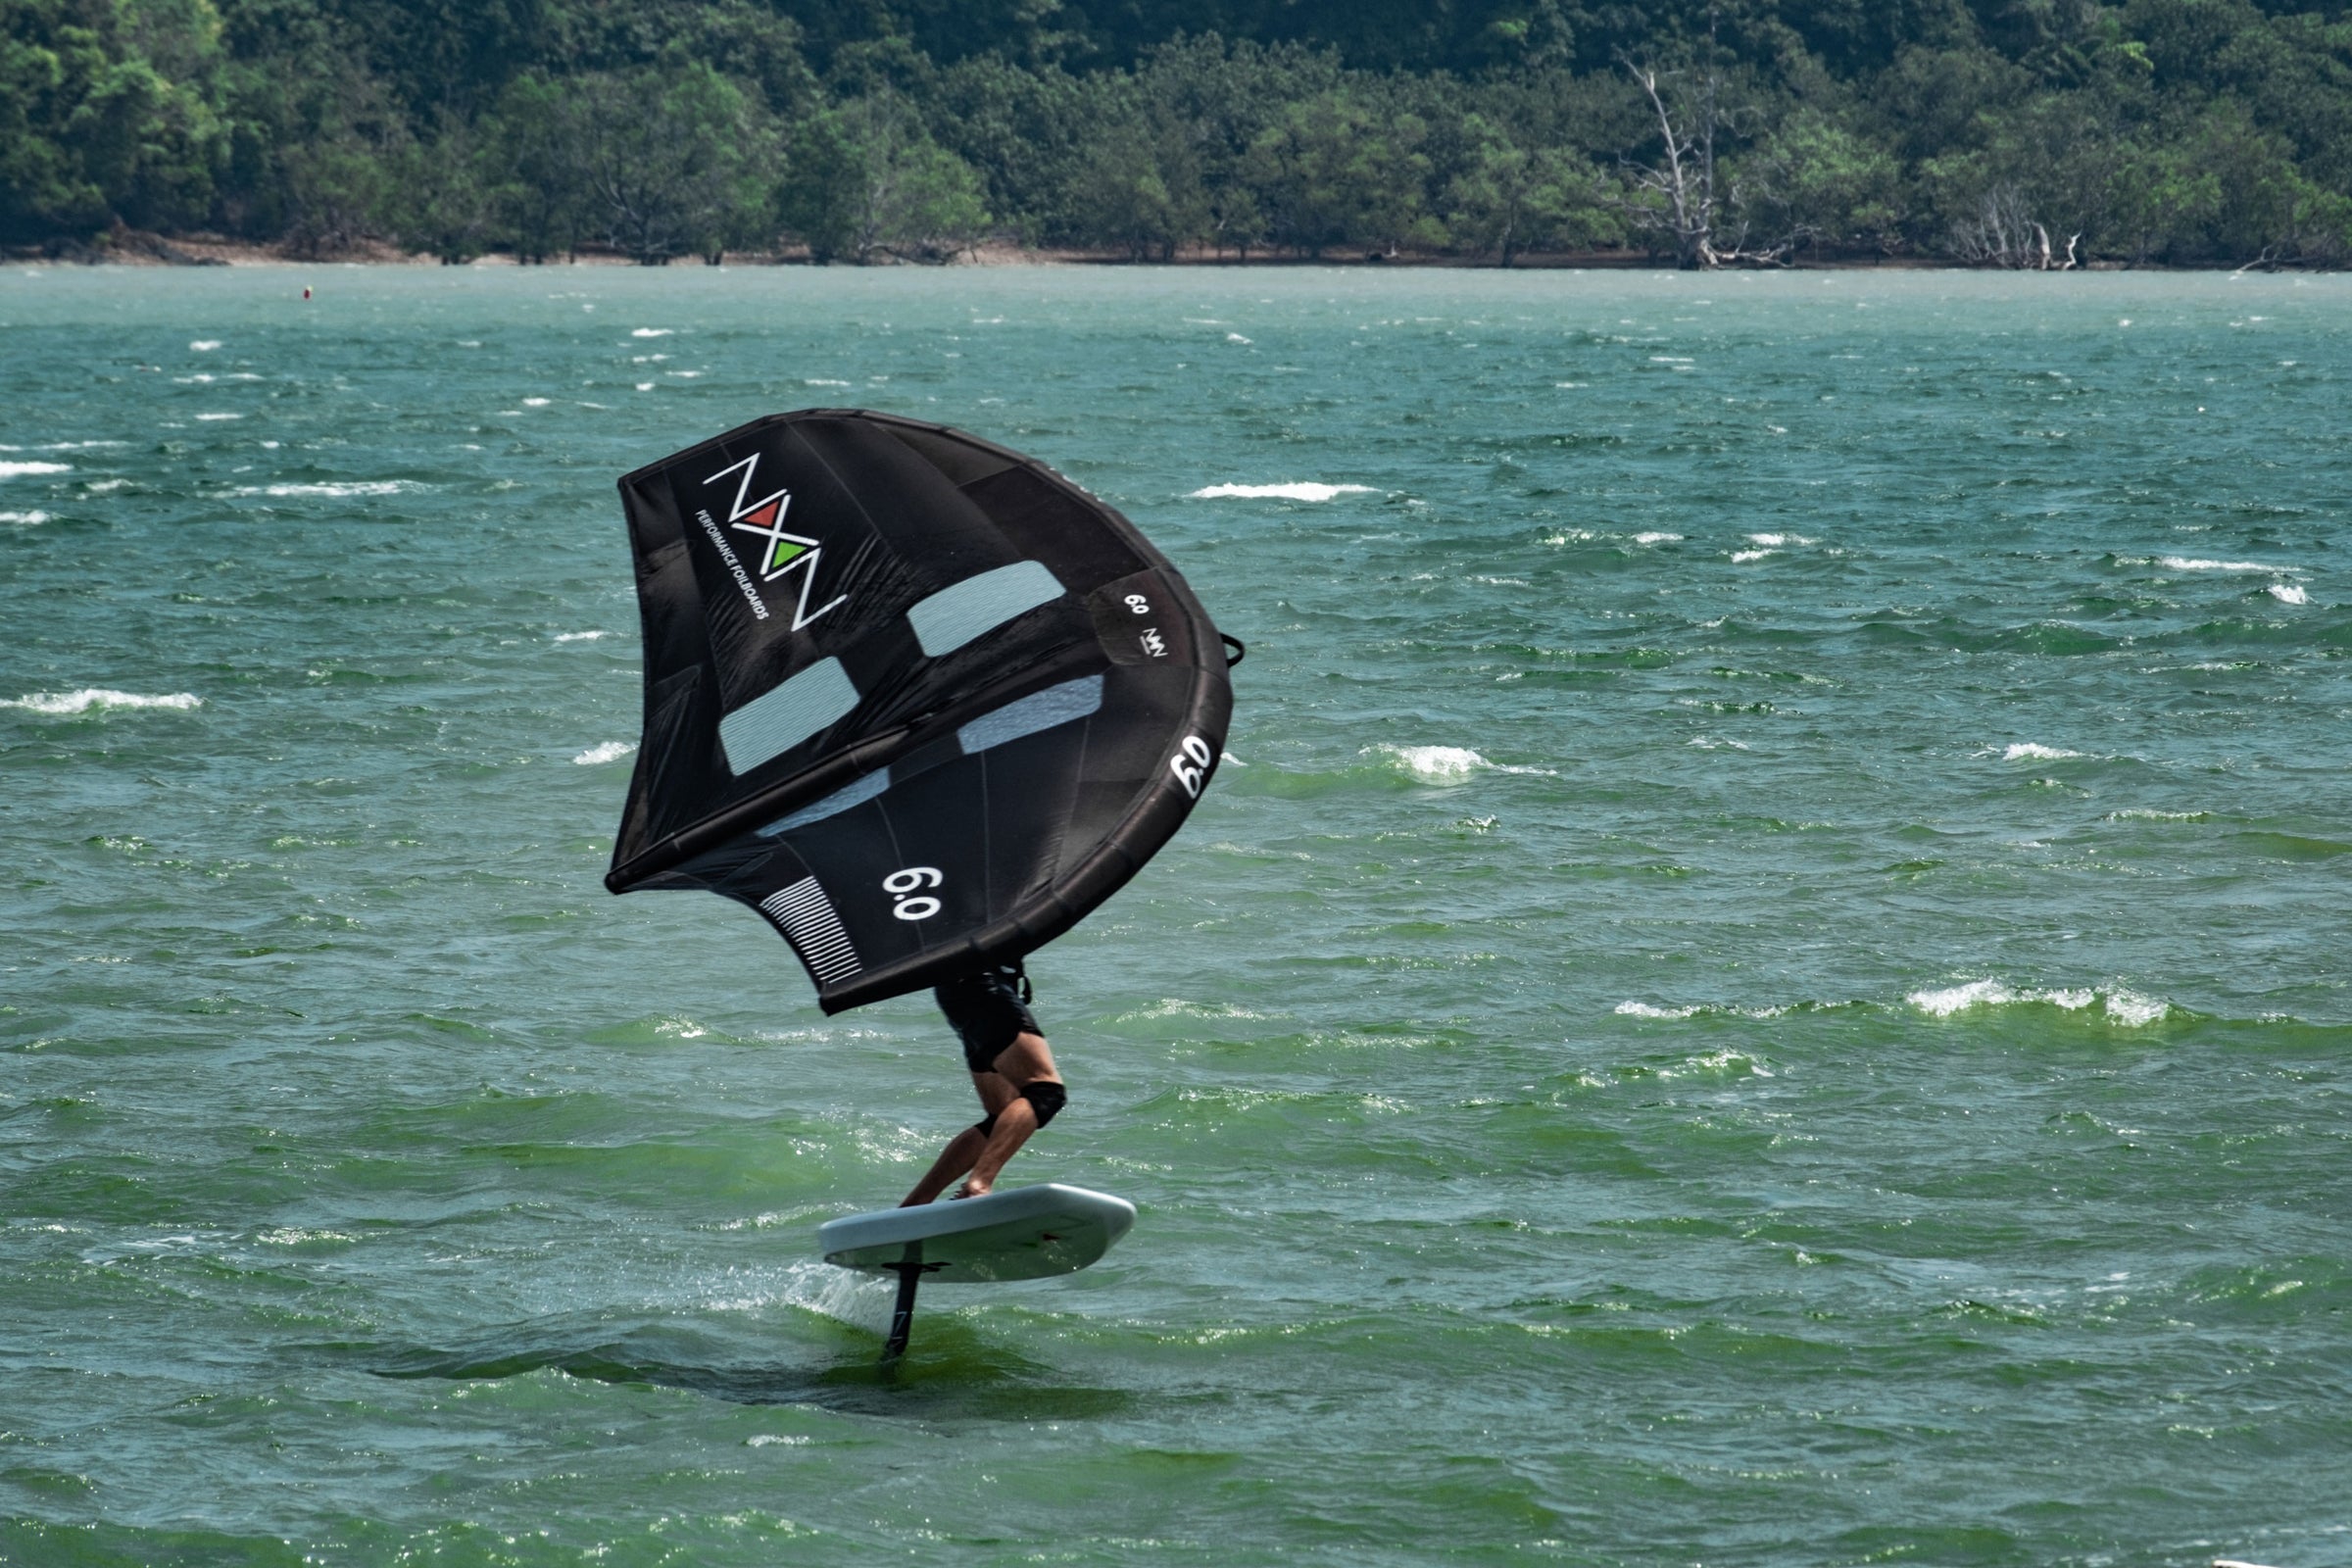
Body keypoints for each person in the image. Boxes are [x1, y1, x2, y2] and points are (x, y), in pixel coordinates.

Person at [900, 960, 1066, 1205]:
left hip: (961, 990)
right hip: (984, 988)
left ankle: (916, 1204)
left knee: (1000, 1117)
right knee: (1045, 1091)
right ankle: (979, 1184)